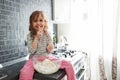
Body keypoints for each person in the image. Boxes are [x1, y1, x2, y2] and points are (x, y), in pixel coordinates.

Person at [19, 10, 76, 80]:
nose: (38, 23)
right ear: (31, 23)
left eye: (40, 20)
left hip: (47, 58)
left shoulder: (47, 34)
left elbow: (51, 47)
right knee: (24, 72)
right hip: (34, 60)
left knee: (68, 64)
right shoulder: (29, 36)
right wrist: (36, 38)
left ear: (44, 22)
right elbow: (32, 50)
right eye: (35, 21)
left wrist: (50, 47)